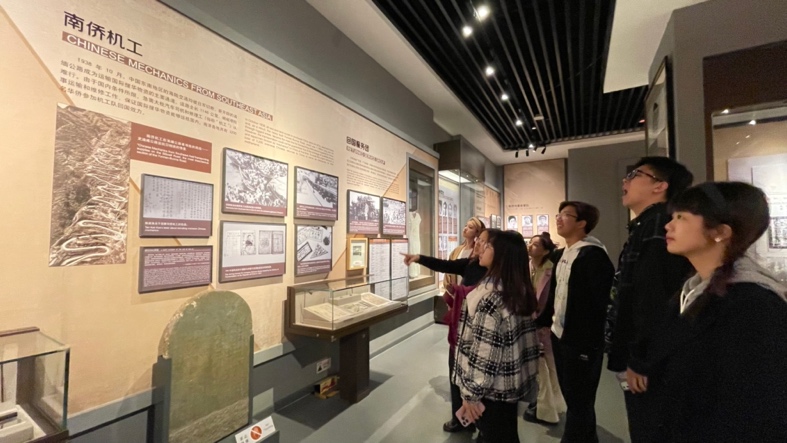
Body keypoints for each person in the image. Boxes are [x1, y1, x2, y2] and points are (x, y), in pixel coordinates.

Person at [645, 182, 787, 442]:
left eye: (681, 217)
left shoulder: (753, 305)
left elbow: (755, 409)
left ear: (720, 232)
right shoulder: (693, 290)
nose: (668, 226)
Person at [606, 157, 694, 442]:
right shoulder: (647, 224)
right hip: (650, 355)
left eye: (635, 174)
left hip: (652, 361)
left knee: (650, 427)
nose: (625, 180)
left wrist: (641, 360)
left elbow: (652, 298)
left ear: (660, 186)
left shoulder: (657, 225)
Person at [537, 201, 614, 443]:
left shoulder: (593, 255)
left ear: (582, 223)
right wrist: (544, 321)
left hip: (581, 341)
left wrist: (589, 342)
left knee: (580, 399)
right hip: (560, 335)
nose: (559, 219)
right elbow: (555, 293)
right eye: (559, 214)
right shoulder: (562, 254)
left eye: (566, 215)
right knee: (574, 398)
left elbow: (600, 304)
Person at [401, 219, 487, 434]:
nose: (477, 243)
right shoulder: (470, 262)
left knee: (474, 376)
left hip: (478, 330)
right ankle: (461, 418)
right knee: (456, 371)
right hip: (461, 325)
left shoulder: (494, 274)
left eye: (483, 241)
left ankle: (476, 419)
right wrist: (419, 258)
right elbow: (445, 265)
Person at [453, 229, 539, 443]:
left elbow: (484, 354)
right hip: (507, 388)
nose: (480, 247)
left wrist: (471, 395)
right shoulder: (517, 290)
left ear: (502, 255)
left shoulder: (491, 299)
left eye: (488, 245)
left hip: (491, 392)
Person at [524, 232, 565, 426]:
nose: (530, 246)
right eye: (530, 243)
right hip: (530, 323)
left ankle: (548, 409)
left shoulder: (552, 270)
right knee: (541, 367)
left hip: (544, 326)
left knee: (547, 367)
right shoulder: (528, 267)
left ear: (546, 251)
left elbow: (553, 300)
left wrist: (546, 323)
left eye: (535, 244)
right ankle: (550, 405)